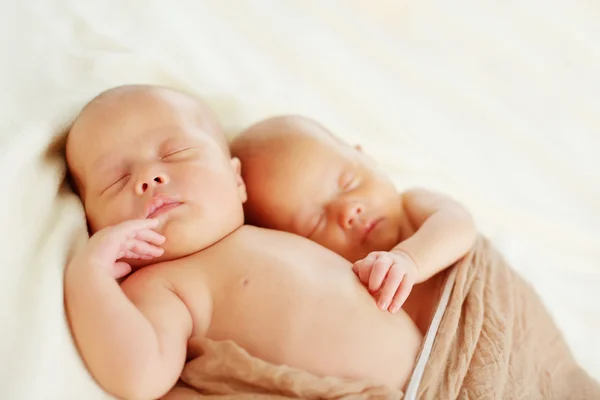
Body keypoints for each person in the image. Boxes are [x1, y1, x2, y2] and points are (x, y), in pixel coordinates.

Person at [64, 85, 423, 400]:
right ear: (93, 224)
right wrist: (90, 274)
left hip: (438, 356)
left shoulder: (277, 227)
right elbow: (140, 378)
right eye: (117, 180)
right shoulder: (160, 287)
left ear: (236, 179)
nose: (148, 176)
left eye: (176, 153)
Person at [230, 115, 477, 332]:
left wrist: (410, 260)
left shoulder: (413, 206)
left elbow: (460, 224)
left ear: (364, 155)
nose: (348, 211)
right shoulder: (343, 288)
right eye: (315, 223)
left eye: (349, 183)